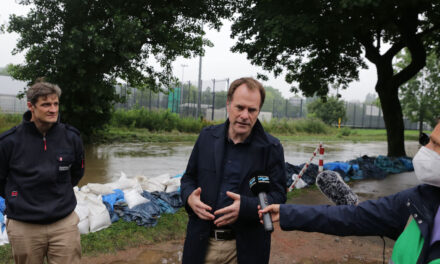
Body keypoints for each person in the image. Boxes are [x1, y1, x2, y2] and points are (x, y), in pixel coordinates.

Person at [260, 118, 440, 264]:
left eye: (436, 144)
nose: (425, 150)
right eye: (427, 141)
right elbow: (353, 217)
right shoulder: (418, 199)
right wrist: (286, 212)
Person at [180, 77, 287, 264]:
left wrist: (246, 207)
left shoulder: (272, 148)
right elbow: (188, 179)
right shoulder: (206, 137)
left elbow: (278, 196)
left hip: (246, 249)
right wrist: (190, 197)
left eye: (252, 110)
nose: (245, 115)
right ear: (229, 104)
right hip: (202, 243)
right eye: (240, 107)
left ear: (258, 111)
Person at [0, 80, 85, 264]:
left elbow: (77, 173)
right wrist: (17, 197)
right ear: (31, 106)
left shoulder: (71, 137)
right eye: (46, 104)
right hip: (24, 226)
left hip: (64, 224)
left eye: (55, 104)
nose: (53, 109)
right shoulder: (9, 142)